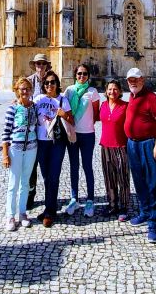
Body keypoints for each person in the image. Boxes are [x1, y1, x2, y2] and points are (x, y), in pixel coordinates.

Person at [124, 67, 156, 244]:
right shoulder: (132, 97)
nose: (133, 82)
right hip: (132, 143)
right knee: (139, 180)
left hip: (149, 144)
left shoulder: (152, 98)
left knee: (153, 182)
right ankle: (144, 211)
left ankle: (154, 222)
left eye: (136, 79)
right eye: (130, 80)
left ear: (143, 79)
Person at [33, 70, 74, 228]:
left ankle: (50, 211)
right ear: (44, 85)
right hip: (42, 142)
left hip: (58, 142)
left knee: (54, 176)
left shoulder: (63, 99)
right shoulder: (38, 99)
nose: (50, 85)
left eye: (53, 82)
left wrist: (64, 114)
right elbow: (28, 108)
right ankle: (50, 206)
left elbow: (72, 120)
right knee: (45, 177)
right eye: (47, 83)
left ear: (57, 84)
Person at [1, 77, 40, 231]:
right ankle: (10, 215)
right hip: (15, 149)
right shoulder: (12, 109)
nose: (24, 92)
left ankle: (22, 213)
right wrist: (5, 154)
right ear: (17, 91)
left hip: (31, 148)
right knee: (13, 183)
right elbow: (6, 132)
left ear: (31, 91)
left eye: (27, 89)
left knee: (25, 182)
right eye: (21, 89)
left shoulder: (35, 107)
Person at [63, 63, 100, 217]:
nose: (82, 76)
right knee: (73, 166)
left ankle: (90, 199)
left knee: (87, 166)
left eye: (84, 74)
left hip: (87, 134)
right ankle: (74, 198)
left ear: (88, 76)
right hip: (72, 134)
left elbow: (97, 114)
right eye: (79, 74)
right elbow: (64, 108)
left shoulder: (93, 92)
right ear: (75, 75)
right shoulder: (69, 90)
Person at [99, 79, 131, 221]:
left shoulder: (126, 106)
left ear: (120, 92)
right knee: (109, 177)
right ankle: (112, 204)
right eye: (110, 89)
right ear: (106, 92)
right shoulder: (103, 105)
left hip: (121, 146)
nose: (112, 92)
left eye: (115, 89)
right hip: (105, 145)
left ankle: (124, 206)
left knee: (122, 177)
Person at [25, 53, 51, 210]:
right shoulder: (29, 81)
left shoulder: (51, 81)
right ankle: (30, 195)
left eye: (43, 63)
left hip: (47, 133)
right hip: (33, 132)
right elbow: (22, 99)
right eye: (38, 64)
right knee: (31, 166)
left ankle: (50, 198)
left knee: (48, 168)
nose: (40, 66)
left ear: (47, 65)